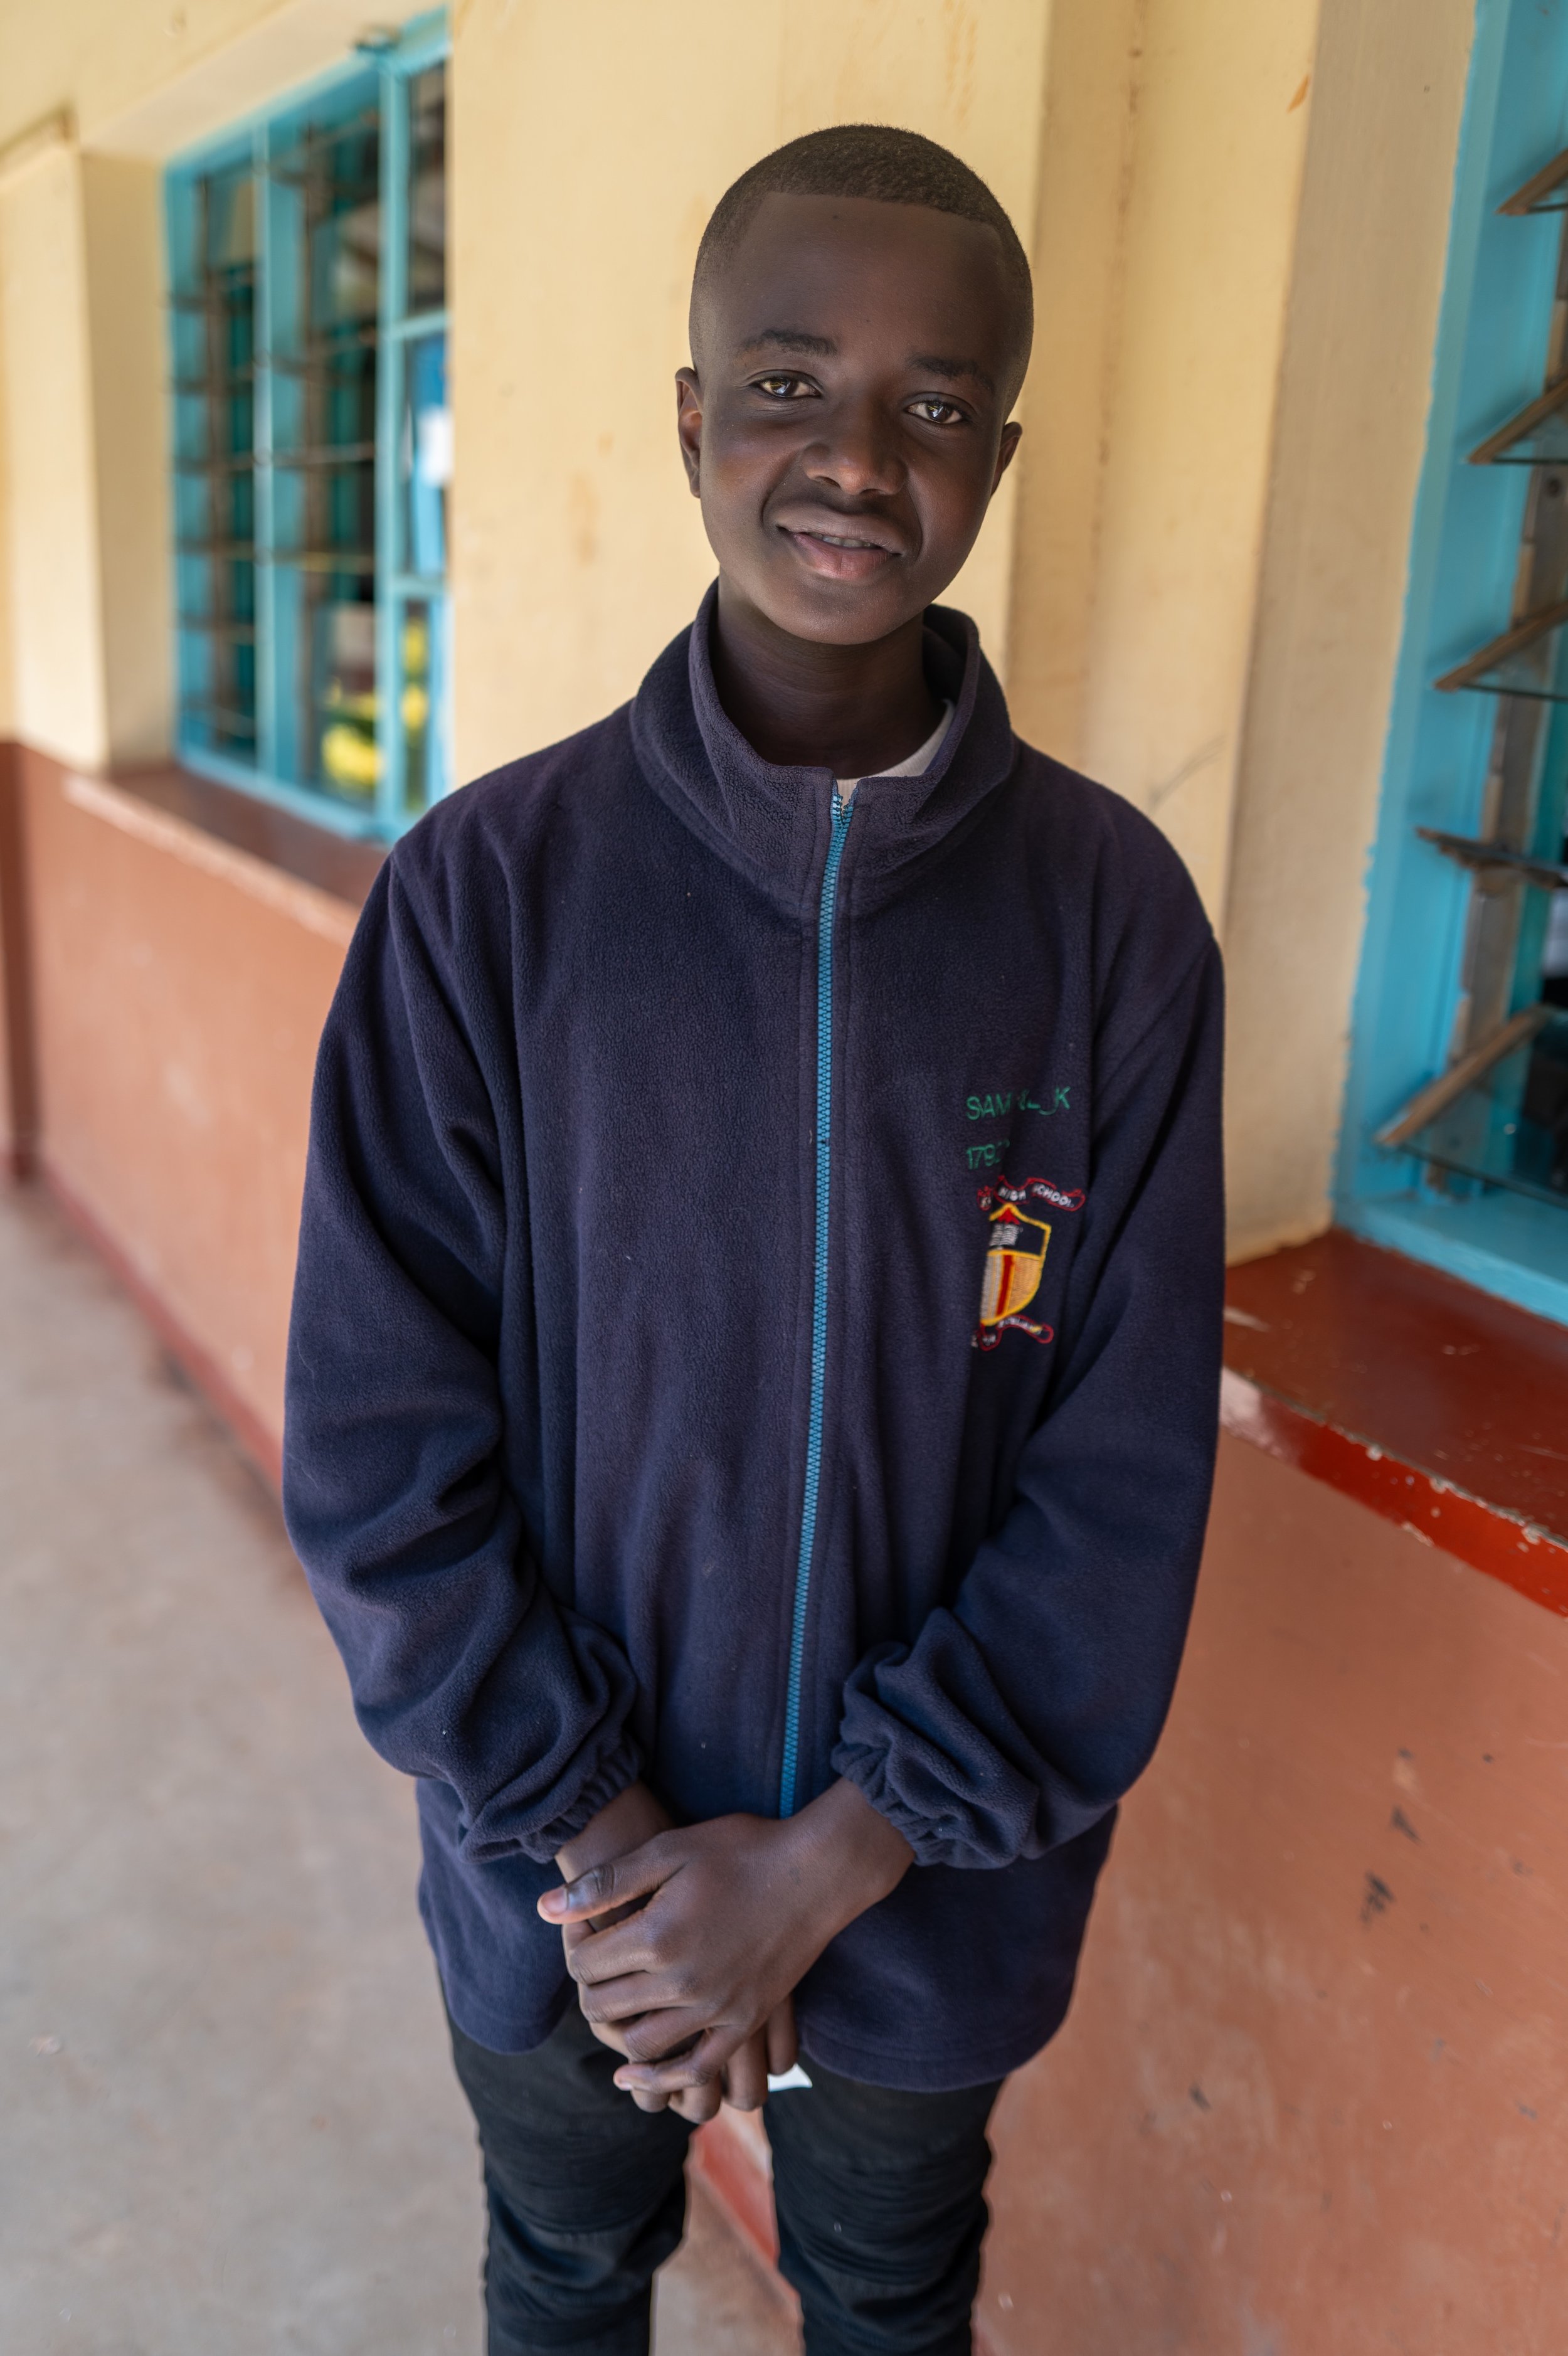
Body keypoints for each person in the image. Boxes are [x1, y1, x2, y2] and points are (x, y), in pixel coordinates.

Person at [283, 124, 1224, 2356]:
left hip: (920, 1900)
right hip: (557, 1897)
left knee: (891, 2297)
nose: (855, 458)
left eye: (933, 402)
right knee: (562, 2269)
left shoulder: (1104, 925)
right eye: (790, 382)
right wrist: (618, 1866)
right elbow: (380, 1445)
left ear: (999, 449)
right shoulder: (488, 898)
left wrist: (821, 1862)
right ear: (691, 414)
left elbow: (1117, 1478)